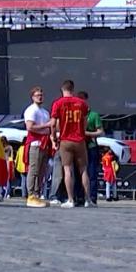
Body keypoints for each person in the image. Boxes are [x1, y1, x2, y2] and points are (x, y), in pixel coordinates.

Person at [49, 80, 91, 209]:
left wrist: (53, 136)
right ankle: (88, 200)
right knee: (83, 170)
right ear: (72, 89)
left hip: (65, 139)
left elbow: (53, 123)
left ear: (62, 90)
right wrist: (82, 133)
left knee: (67, 170)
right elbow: (85, 122)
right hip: (79, 139)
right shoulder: (82, 103)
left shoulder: (58, 103)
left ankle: (71, 199)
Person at [23, 87, 53, 208]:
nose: (40, 97)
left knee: (42, 171)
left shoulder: (45, 112)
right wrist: (46, 126)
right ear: (32, 97)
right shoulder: (31, 110)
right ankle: (31, 194)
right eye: (37, 95)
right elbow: (30, 127)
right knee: (34, 170)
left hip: (44, 144)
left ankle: (37, 193)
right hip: (35, 143)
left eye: (41, 95)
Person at [79, 91, 105, 205]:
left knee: (92, 173)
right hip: (79, 147)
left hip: (91, 147)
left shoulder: (94, 115)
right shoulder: (76, 114)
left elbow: (100, 131)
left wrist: (87, 133)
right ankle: (79, 197)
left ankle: (92, 198)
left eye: (83, 100)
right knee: (78, 173)